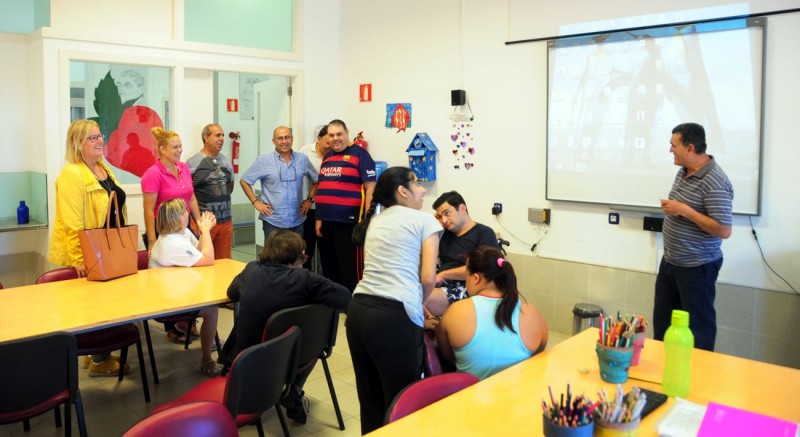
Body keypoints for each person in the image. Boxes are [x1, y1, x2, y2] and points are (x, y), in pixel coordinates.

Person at [219, 230, 351, 424]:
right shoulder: (307, 281)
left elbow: (232, 292)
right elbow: (344, 298)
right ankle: (294, 390)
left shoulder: (251, 270)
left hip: (246, 358)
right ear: (298, 257)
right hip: (292, 358)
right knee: (315, 341)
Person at [346, 167, 441, 434]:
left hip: (358, 311)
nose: (422, 189)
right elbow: (428, 279)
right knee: (403, 402)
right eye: (417, 183)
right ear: (402, 191)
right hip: (393, 317)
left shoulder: (375, 220)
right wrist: (417, 306)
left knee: (370, 399)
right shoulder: (424, 221)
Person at [48, 119, 130, 377]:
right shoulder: (72, 173)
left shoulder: (103, 169)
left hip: (108, 249)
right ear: (77, 143)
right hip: (87, 254)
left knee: (104, 306)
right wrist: (78, 260)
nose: (99, 141)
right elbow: (72, 222)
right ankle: (98, 361)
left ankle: (96, 356)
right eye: (92, 138)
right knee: (91, 309)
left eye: (99, 136)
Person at [654, 122, 733, 351]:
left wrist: (684, 210)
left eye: (673, 145)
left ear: (690, 148)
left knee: (698, 331)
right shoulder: (683, 171)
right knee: (663, 325)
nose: (670, 150)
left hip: (697, 268)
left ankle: (699, 379)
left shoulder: (715, 181)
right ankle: (662, 372)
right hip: (671, 262)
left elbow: (723, 229)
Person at [435, 247, 548, 380]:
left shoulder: (456, 311)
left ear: (476, 278)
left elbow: (446, 355)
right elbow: (538, 355)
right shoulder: (531, 313)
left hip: (467, 396)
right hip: (518, 396)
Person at [148, 198, 224, 377]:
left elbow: (200, 251)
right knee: (211, 310)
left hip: (179, 290)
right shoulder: (172, 244)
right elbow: (208, 260)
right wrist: (204, 230)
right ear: (177, 218)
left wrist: (205, 232)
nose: (187, 213)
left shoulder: (181, 234)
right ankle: (207, 360)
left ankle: (209, 344)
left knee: (210, 301)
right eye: (184, 211)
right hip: (167, 301)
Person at [141, 127, 203, 343]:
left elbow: (191, 198)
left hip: (184, 227)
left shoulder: (183, 168)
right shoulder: (153, 174)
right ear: (162, 149)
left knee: (189, 274)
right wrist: (151, 240)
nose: (180, 150)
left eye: (180, 146)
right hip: (165, 231)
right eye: (175, 147)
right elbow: (149, 210)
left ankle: (190, 323)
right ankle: (174, 326)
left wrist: (199, 222)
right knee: (171, 279)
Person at [315, 119, 377, 292]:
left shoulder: (360, 155)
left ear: (347, 133)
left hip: (350, 222)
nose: (335, 138)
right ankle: (335, 301)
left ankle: (352, 304)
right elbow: (323, 187)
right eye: (332, 135)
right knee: (329, 265)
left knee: (349, 267)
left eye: (339, 134)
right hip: (326, 221)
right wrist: (319, 218)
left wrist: (367, 219)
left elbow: (370, 188)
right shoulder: (327, 156)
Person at [424, 191, 499, 318]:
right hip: (440, 281)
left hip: (467, 286)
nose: (444, 220)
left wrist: (443, 275)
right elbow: (428, 258)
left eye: (447, 213)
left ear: (462, 208)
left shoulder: (483, 233)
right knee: (407, 292)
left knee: (418, 298)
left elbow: (482, 271)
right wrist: (435, 228)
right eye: (439, 216)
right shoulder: (444, 234)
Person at [240, 126, 318, 241]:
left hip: (297, 221)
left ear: (292, 138)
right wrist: (255, 202)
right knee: (273, 258)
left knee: (296, 257)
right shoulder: (264, 160)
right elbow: (244, 180)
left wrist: (309, 200)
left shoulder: (302, 159)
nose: (284, 141)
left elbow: (316, 181)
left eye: (287, 137)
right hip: (273, 222)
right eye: (280, 138)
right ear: (274, 141)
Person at [186, 123, 234, 259]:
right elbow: (189, 193)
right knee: (202, 260)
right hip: (204, 222)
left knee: (224, 263)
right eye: (217, 135)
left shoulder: (225, 161)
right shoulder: (192, 162)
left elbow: (230, 187)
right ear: (206, 138)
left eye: (223, 135)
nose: (222, 139)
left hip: (225, 221)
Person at [299, 125, 330, 270]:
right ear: (318, 139)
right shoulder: (305, 152)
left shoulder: (335, 154)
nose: (330, 146)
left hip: (326, 210)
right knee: (307, 249)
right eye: (327, 143)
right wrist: (307, 200)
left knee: (326, 251)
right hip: (308, 209)